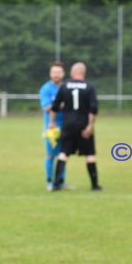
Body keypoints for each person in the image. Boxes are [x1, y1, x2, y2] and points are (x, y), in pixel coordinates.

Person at [49, 62, 102, 191]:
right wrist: (90, 126)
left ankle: (56, 183)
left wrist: (51, 123)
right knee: (90, 154)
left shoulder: (65, 85)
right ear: (84, 73)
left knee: (63, 153)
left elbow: (55, 107)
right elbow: (93, 109)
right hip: (84, 125)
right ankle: (94, 185)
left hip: (68, 124)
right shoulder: (89, 87)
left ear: (72, 73)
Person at [39, 61, 67, 191]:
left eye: (58, 72)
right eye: (54, 72)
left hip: (66, 126)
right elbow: (47, 108)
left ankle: (61, 181)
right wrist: (60, 105)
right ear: (50, 74)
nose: (56, 74)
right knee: (50, 155)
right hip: (52, 127)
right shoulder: (46, 89)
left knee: (63, 154)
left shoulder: (67, 87)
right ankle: (49, 181)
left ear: (63, 73)